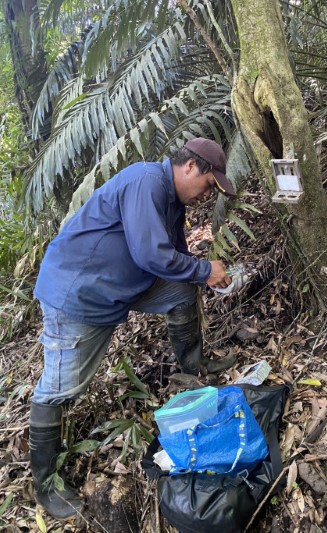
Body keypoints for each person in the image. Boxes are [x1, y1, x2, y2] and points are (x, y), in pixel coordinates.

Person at [29, 137, 237, 519]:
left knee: (180, 290)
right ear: (190, 167)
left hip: (120, 287)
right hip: (79, 294)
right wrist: (207, 271)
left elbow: (175, 256)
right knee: (61, 387)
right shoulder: (146, 181)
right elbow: (150, 254)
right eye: (209, 184)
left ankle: (191, 371)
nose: (208, 194)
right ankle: (46, 482)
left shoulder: (171, 200)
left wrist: (200, 273)